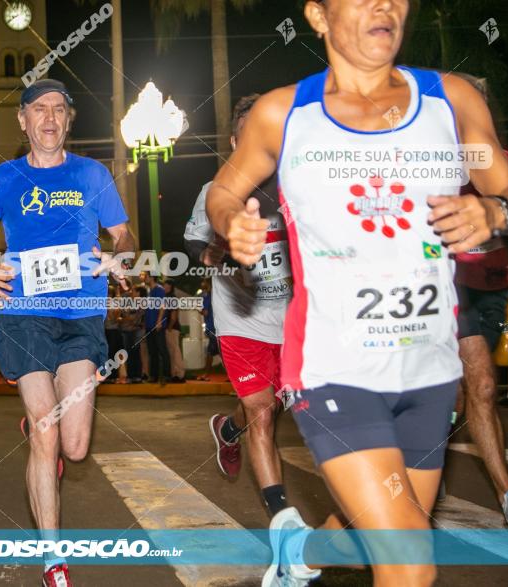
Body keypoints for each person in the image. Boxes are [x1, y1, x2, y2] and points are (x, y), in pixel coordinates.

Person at [207, 1, 508, 585]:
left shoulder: (451, 104)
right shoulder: (283, 114)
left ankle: (298, 557)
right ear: (319, 17)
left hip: (426, 366)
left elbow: (504, 181)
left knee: (369, 533)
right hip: (332, 366)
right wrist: (233, 223)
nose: (385, 5)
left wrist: (495, 209)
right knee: (408, 558)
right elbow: (224, 189)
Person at [0, 78, 134, 586]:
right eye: (39, 109)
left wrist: (119, 255)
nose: (49, 117)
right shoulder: (1, 178)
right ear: (22, 120)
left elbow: (125, 234)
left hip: (81, 313)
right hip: (23, 315)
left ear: (67, 120)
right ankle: (53, 561)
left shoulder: (92, 174)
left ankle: (48, 442)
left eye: (58, 110)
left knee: (75, 445)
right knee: (46, 431)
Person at [185, 94, 293, 517]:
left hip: (292, 319)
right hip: (240, 318)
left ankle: (228, 428)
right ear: (234, 141)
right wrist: (213, 254)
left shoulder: (294, 189)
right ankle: (283, 525)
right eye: (249, 133)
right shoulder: (215, 190)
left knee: (269, 403)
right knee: (263, 414)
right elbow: (195, 242)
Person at [449, 74, 508, 527]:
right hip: (458, 289)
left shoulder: (506, 166)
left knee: (480, 390)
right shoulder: (434, 169)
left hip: (503, 288)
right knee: (483, 386)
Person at [144, 274, 170, 383]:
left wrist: (159, 321)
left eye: (146, 276)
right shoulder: (150, 291)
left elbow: (162, 306)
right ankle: (153, 376)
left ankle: (166, 375)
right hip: (149, 325)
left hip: (156, 325)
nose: (144, 278)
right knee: (152, 351)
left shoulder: (159, 289)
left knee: (162, 350)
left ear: (151, 277)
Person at [118, 286, 144, 383]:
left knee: (136, 353)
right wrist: (128, 319)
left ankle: (137, 376)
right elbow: (122, 314)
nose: (131, 292)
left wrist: (130, 320)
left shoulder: (140, 302)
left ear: (138, 293)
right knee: (128, 353)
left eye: (133, 291)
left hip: (136, 330)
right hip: (126, 330)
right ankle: (130, 376)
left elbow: (139, 315)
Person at [163, 280, 185, 383]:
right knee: (172, 352)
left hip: (172, 328)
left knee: (175, 351)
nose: (165, 287)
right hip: (170, 327)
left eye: (167, 285)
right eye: (164, 285)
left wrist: (170, 327)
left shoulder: (171, 298)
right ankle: (175, 374)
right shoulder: (168, 297)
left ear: (171, 287)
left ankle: (179, 374)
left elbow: (174, 315)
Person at [197, 279, 217, 381]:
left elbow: (205, 312)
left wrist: (198, 309)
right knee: (211, 352)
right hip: (216, 327)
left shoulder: (208, 297)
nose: (201, 284)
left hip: (212, 328)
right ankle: (206, 374)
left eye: (203, 282)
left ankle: (206, 374)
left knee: (214, 352)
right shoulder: (214, 296)